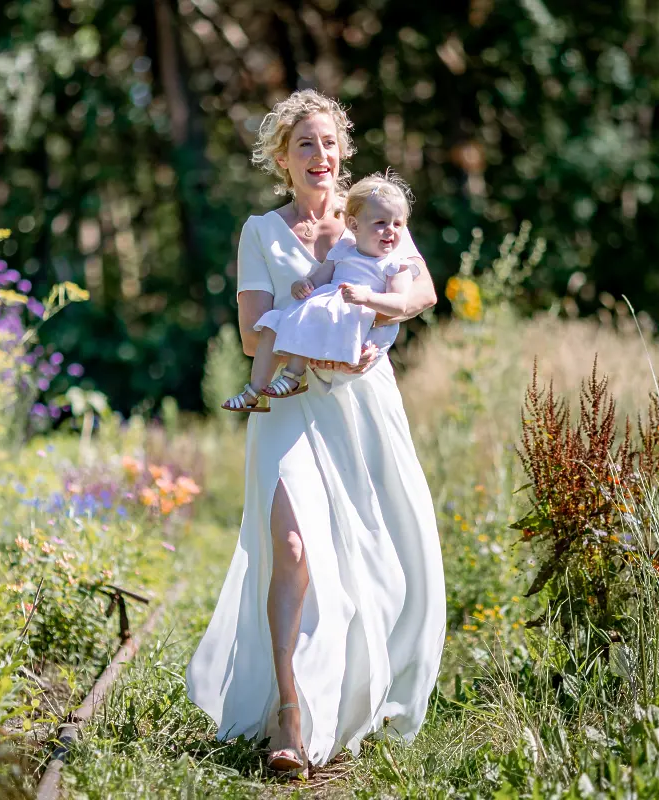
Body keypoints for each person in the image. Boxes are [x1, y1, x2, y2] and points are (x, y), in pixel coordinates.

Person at [186, 89, 446, 780]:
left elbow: (422, 292)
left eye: (329, 143)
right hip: (290, 404)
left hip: (363, 407)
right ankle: (288, 714)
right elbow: (250, 333)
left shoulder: (373, 216)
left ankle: (353, 693)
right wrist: (318, 347)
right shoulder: (260, 232)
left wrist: (374, 317)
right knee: (293, 549)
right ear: (282, 157)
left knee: (375, 557)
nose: (321, 156)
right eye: (306, 144)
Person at [221, 172, 418, 411]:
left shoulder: (395, 264)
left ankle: (293, 375)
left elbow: (400, 304)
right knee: (273, 323)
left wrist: (367, 298)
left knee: (311, 317)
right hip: (329, 305)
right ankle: (254, 391)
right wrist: (302, 285)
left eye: (398, 224)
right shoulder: (345, 248)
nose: (391, 231)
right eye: (381, 224)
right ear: (354, 225)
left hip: (356, 321)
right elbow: (320, 277)